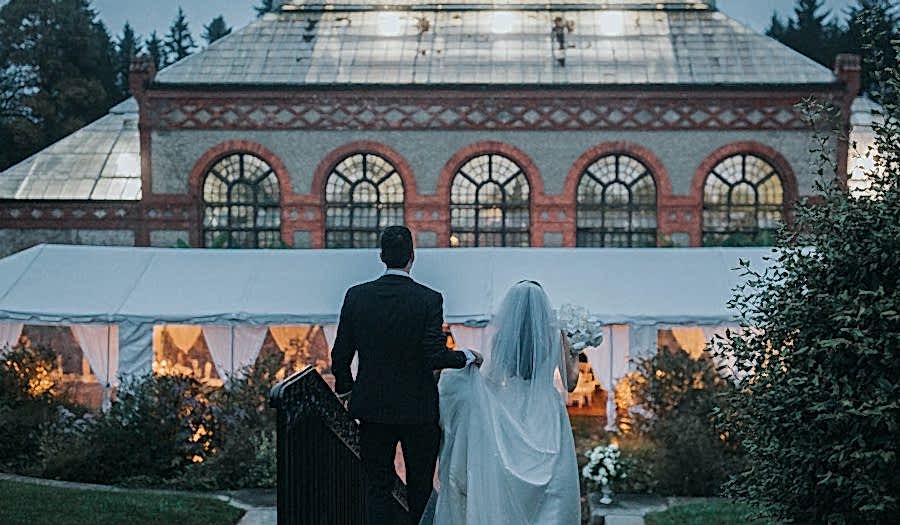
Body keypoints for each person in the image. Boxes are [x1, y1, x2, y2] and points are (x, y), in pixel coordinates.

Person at [331, 225, 483, 525]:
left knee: (376, 487)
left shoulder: (356, 296)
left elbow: (340, 355)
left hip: (372, 410)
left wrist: (347, 390)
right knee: (420, 489)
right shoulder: (428, 299)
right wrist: (467, 356)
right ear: (412, 257)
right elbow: (435, 356)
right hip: (418, 411)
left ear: (381, 256)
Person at [429, 281, 581, 524]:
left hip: (507, 404)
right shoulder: (556, 334)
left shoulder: (502, 335)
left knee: (503, 477)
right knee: (553, 488)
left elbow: (490, 377)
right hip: (546, 411)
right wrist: (573, 354)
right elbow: (571, 383)